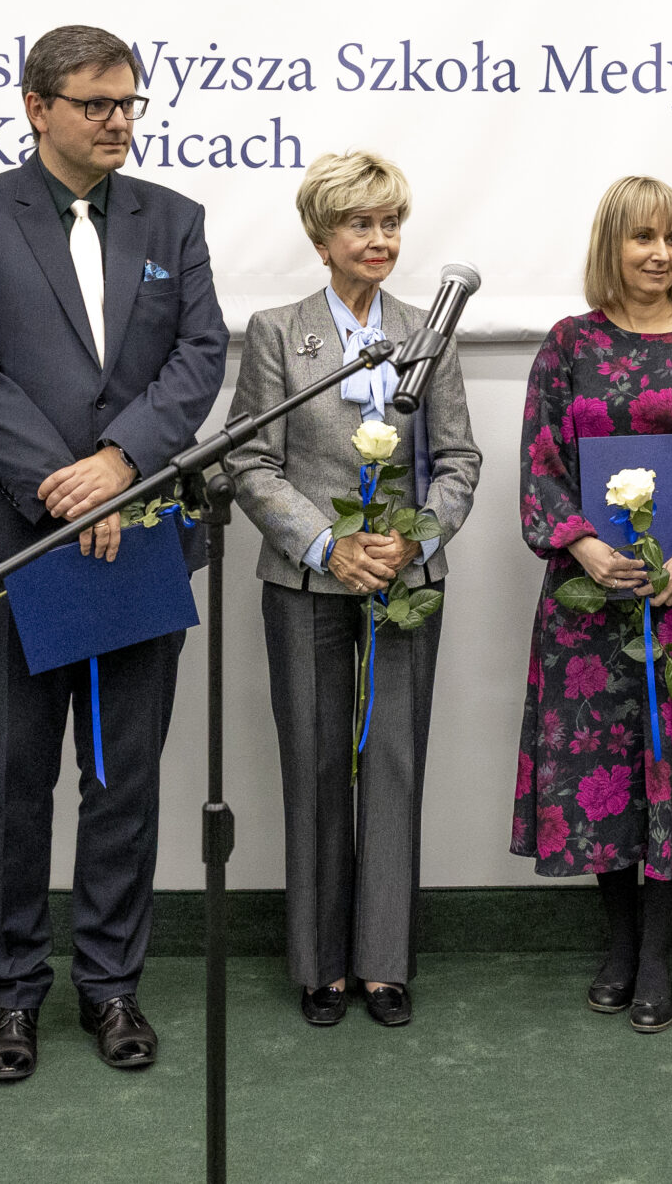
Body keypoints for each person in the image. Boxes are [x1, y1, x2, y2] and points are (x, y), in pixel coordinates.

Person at [0, 25, 228, 1083]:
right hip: (8, 538)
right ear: (37, 107)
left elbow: (199, 356)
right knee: (11, 778)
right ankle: (11, 994)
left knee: (122, 775)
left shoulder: (173, 219)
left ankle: (111, 984)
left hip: (135, 533)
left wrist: (121, 464)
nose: (118, 121)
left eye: (129, 103)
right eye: (96, 103)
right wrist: (65, 482)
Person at [224, 152, 482, 1029]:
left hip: (406, 577)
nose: (380, 239)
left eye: (390, 222)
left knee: (395, 764)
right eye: (360, 223)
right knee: (316, 763)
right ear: (320, 235)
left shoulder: (430, 327)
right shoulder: (276, 331)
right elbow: (250, 459)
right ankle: (319, 963)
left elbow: (459, 459)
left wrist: (414, 538)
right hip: (307, 579)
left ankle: (383, 961)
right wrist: (327, 544)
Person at [511, 175, 672, 1034]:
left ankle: (657, 953)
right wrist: (582, 544)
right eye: (642, 237)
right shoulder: (568, 344)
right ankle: (617, 943)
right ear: (610, 245)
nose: (660, 254)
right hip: (590, 603)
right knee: (602, 771)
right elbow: (541, 464)